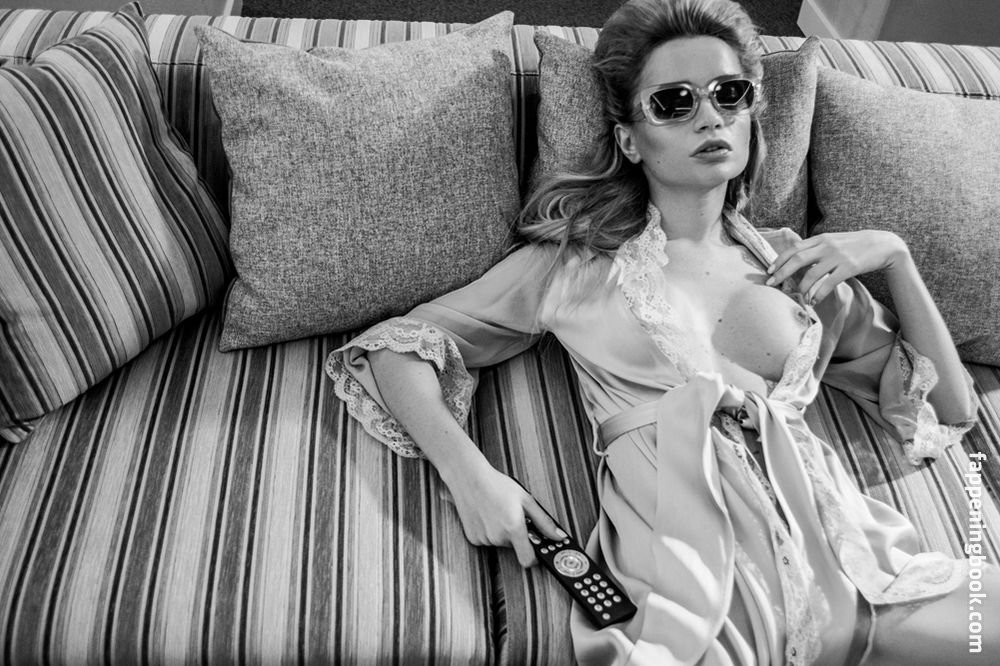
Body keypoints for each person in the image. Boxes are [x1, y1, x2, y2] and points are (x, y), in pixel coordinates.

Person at [326, 0, 998, 663]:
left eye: (730, 94)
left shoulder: (800, 266)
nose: (710, 116)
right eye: (674, 102)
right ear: (629, 139)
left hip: (856, 564)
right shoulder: (574, 264)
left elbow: (948, 409)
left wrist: (896, 259)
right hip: (694, 588)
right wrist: (472, 477)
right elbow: (397, 348)